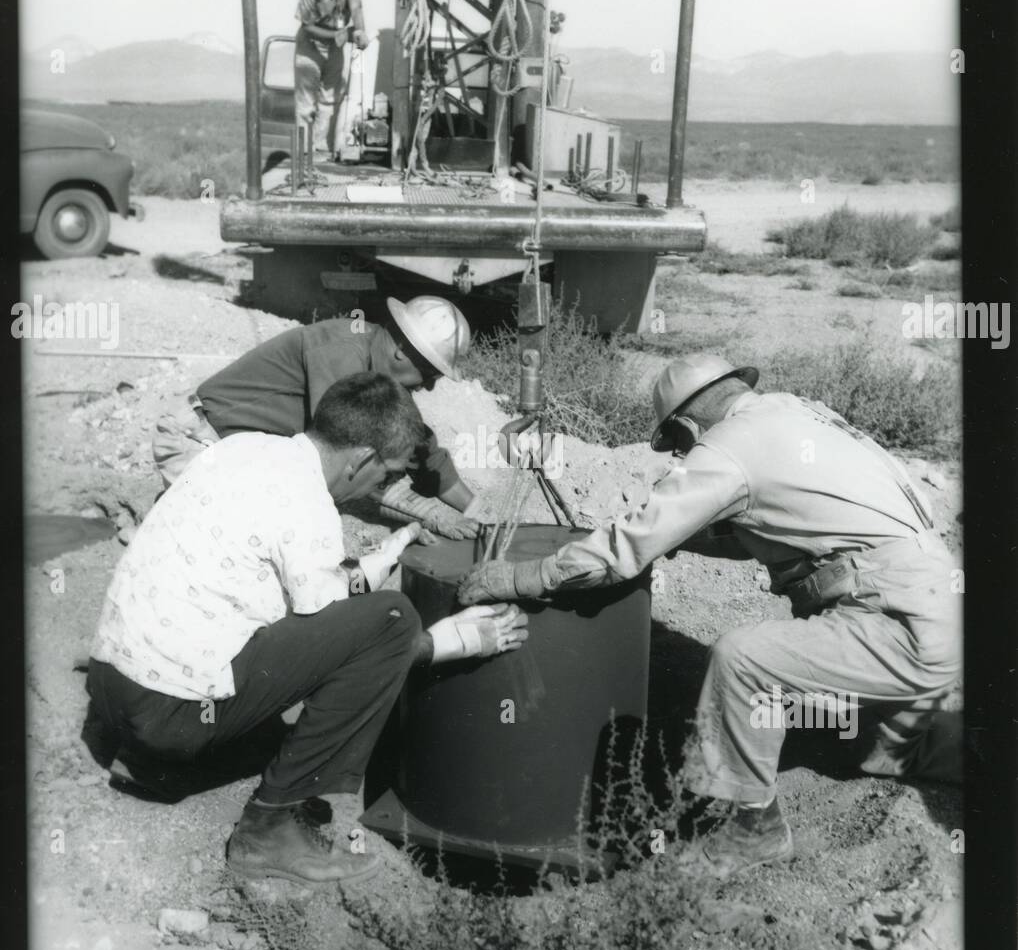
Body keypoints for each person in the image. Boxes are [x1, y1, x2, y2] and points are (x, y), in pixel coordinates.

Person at [458, 352, 962, 880]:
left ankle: (755, 831)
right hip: (939, 603)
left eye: (677, 445)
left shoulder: (728, 448)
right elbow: (771, 524)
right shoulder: (793, 413)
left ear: (686, 424)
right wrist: (680, 536)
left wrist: (522, 577)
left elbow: (624, 548)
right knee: (891, 753)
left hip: (899, 623)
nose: (682, 455)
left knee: (744, 660)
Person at [90, 373, 527, 887]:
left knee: (311, 645)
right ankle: (268, 829)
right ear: (360, 459)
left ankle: (143, 758)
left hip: (114, 688)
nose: (381, 489)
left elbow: (321, 601)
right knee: (392, 620)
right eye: (385, 476)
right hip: (166, 715)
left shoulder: (245, 449)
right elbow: (347, 636)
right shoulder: (309, 504)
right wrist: (449, 642)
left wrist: (397, 544)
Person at [152, 296, 482, 538]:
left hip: (247, 450)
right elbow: (343, 452)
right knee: (247, 546)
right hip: (200, 440)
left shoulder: (381, 369)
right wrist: (427, 513)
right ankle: (161, 525)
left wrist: (477, 512)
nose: (426, 386)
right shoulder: (341, 353)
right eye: (428, 374)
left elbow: (419, 448)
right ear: (402, 352)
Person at [295, 0, 369, 157]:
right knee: (306, 103)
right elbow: (307, 27)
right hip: (309, 48)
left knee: (329, 99)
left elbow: (356, 8)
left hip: (335, 48)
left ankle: (319, 148)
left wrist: (360, 31)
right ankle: (303, 153)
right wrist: (340, 36)